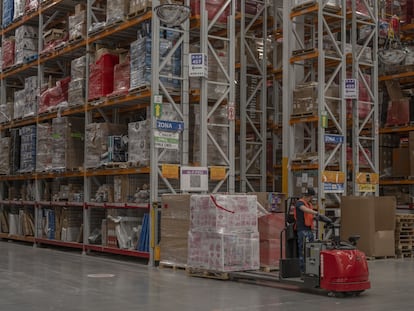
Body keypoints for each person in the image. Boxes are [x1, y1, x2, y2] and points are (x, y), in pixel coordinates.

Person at [295, 187, 318, 274]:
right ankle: (303, 270)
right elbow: (304, 209)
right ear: (310, 196)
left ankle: (310, 269)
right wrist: (316, 213)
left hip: (309, 230)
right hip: (302, 230)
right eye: (312, 196)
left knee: (311, 251)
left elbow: (309, 215)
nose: (312, 198)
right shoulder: (300, 203)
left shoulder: (309, 204)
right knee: (303, 251)